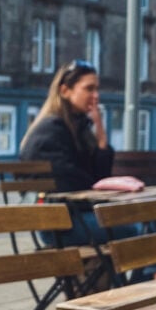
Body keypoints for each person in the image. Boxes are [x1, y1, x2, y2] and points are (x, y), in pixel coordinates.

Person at [20, 59, 135, 247]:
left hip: (80, 216)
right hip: (61, 225)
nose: (96, 95)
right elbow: (74, 182)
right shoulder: (50, 131)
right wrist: (99, 185)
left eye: (97, 89)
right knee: (137, 228)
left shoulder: (78, 128)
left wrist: (101, 134)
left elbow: (98, 177)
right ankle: (155, 275)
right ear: (65, 91)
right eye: (89, 89)